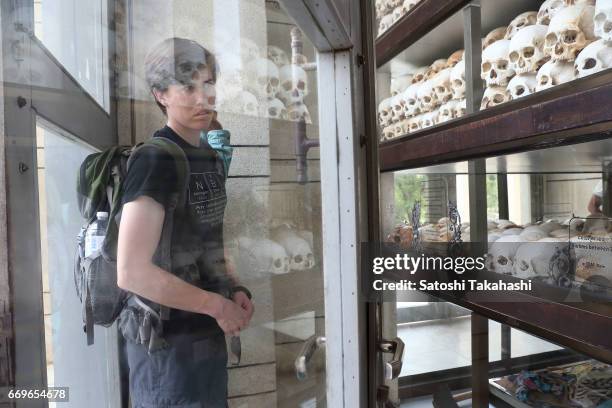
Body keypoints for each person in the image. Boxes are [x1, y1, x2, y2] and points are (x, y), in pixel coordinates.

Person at [116, 37, 254, 407]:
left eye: (208, 84)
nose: (202, 98)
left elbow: (209, 240)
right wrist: (216, 305)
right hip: (165, 352)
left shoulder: (208, 156)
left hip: (204, 340)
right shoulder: (155, 161)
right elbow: (131, 272)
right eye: (187, 87)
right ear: (161, 94)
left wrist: (234, 287)